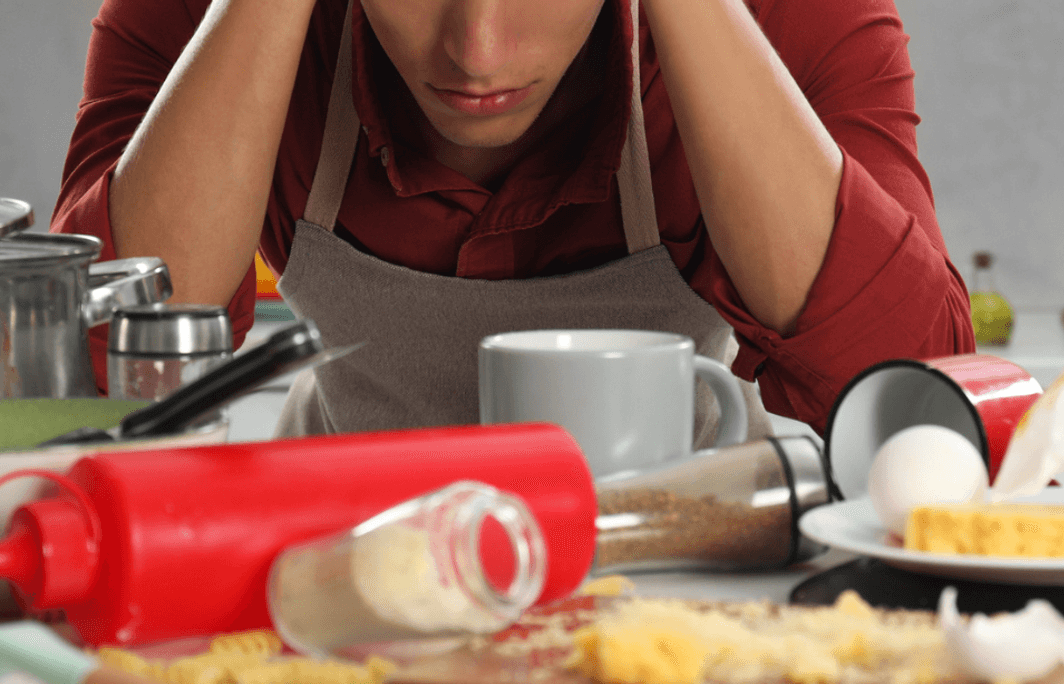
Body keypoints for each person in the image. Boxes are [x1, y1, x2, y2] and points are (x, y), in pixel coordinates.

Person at [52, 0, 975, 441]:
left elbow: (916, 390)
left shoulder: (789, 17)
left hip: (681, 593)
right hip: (341, 579)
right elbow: (92, 370)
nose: (476, 50)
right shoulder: (194, 16)